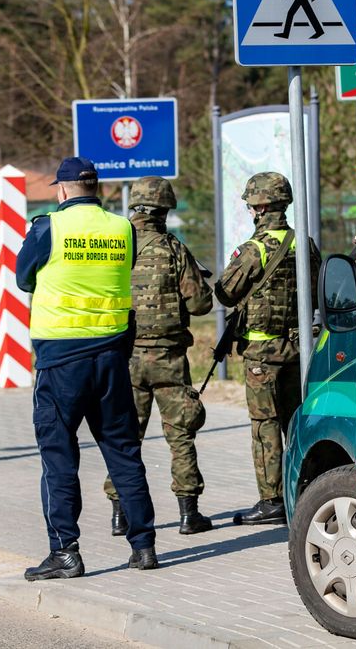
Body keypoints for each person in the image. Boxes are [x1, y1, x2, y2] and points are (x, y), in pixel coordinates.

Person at [16, 156, 158, 579]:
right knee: (124, 452)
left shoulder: (48, 229)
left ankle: (65, 552)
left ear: (61, 190)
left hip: (61, 362)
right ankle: (144, 546)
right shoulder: (123, 229)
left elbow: (24, 279)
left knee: (59, 457)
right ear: (97, 188)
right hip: (111, 357)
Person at [104, 176, 215, 536]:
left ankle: (119, 515)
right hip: (169, 359)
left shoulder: (116, 247)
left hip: (126, 357)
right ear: (164, 210)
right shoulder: (173, 249)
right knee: (180, 435)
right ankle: (188, 515)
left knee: (125, 437)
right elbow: (200, 304)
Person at [215, 172, 321, 525]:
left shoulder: (254, 249)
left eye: (251, 205)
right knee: (296, 423)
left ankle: (271, 500)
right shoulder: (304, 244)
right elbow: (316, 289)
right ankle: (305, 491)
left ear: (260, 208)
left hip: (262, 353)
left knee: (265, 427)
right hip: (297, 349)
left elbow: (225, 292)